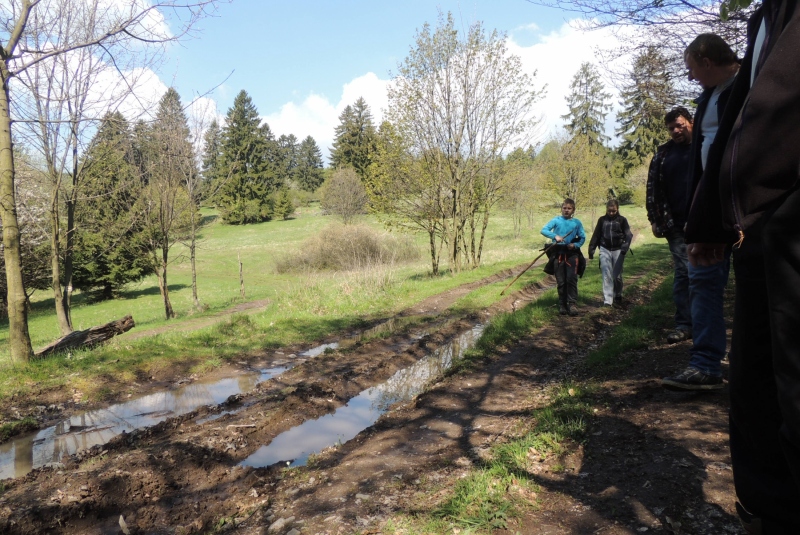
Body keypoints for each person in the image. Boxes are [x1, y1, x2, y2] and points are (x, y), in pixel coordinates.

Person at [684, 1, 800, 531]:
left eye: (695, 69)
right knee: (754, 379)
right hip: (755, 225)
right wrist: (708, 220)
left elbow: (776, 110)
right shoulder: (763, 20)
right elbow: (736, 127)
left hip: (787, 213)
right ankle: (766, 510)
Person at [661, 34, 737, 391]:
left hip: (751, 209)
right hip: (709, 211)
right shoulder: (708, 97)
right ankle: (705, 364)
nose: (690, 77)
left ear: (707, 61)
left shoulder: (750, 89)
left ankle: (762, 368)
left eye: (692, 68)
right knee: (702, 280)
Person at [645, 107, 694, 343]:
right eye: (671, 128)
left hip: (705, 221)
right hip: (674, 224)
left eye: (680, 125)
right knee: (684, 272)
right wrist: (654, 219)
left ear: (691, 123)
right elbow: (652, 188)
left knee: (706, 274)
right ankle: (684, 324)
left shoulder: (705, 148)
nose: (675, 131)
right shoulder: (663, 154)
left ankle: (704, 324)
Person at [541, 198, 586, 316]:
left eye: (569, 208)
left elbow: (582, 238)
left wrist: (575, 245)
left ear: (573, 210)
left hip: (571, 254)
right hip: (557, 253)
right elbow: (544, 230)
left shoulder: (577, 223)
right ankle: (562, 304)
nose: (566, 210)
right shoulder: (556, 220)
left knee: (571, 279)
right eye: (564, 208)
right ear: (561, 209)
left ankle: (572, 304)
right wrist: (555, 236)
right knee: (561, 281)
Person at [587, 199, 633, 307]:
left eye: (614, 211)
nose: (611, 213)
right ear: (606, 210)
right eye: (609, 211)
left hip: (618, 249)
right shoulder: (602, 220)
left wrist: (625, 246)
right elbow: (596, 235)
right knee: (606, 274)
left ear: (617, 209)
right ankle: (608, 301)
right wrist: (591, 248)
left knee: (617, 276)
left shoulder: (622, 220)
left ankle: (618, 294)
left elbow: (629, 234)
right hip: (605, 249)